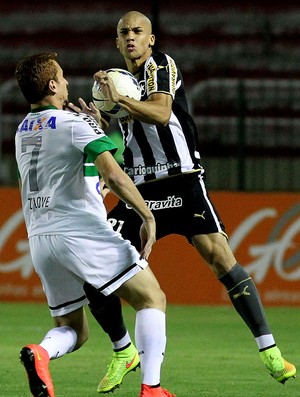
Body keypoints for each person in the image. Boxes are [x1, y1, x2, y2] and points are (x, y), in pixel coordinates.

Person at [70, 10, 296, 394]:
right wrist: (100, 119)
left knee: (220, 258)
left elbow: (159, 113)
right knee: (95, 265)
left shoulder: (161, 65)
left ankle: (269, 350)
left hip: (183, 179)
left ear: (151, 39)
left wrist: (121, 100)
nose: (131, 37)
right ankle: (123, 350)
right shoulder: (116, 82)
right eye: (124, 32)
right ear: (116, 41)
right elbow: (127, 126)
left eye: (138, 31)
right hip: (141, 188)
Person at [15, 52, 176, 397]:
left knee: (74, 329)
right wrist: (146, 213)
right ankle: (152, 388)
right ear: (53, 84)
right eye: (62, 76)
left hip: (41, 239)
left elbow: (70, 167)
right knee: (151, 298)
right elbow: (112, 172)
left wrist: (93, 128)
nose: (69, 82)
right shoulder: (74, 124)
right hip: (79, 231)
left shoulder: (22, 130)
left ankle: (40, 353)